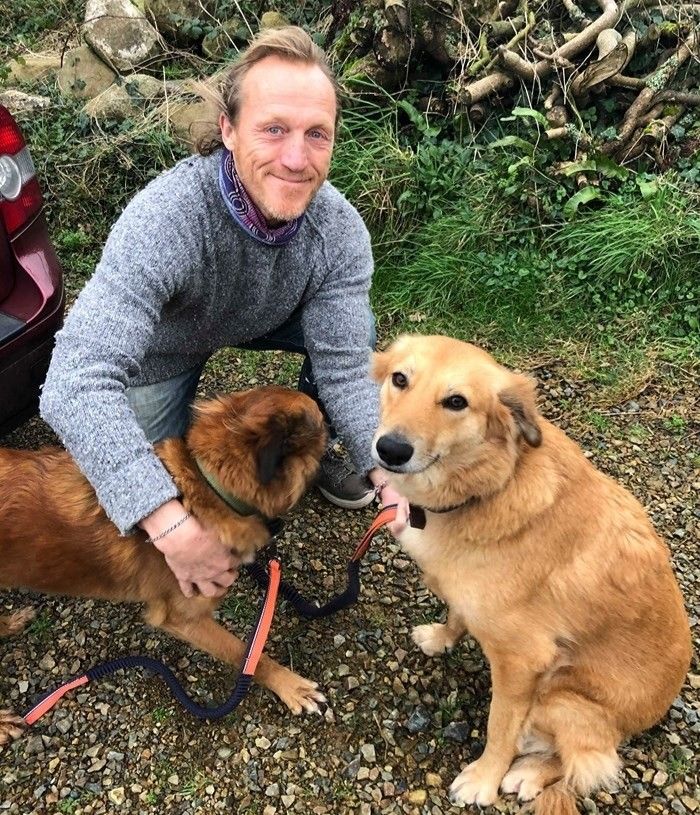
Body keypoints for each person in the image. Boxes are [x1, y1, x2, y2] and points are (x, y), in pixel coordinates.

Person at [40, 26, 408, 600]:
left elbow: (342, 366)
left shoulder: (339, 231)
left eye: (317, 135)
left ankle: (325, 451)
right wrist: (167, 521)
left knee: (357, 336)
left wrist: (385, 469)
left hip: (275, 315)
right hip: (168, 344)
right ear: (228, 131)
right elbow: (71, 384)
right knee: (136, 490)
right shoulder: (166, 220)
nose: (296, 158)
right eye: (273, 129)